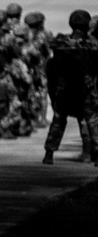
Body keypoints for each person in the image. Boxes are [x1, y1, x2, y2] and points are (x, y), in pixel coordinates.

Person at [43, 9, 98, 164]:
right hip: (86, 89)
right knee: (92, 121)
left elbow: (52, 65)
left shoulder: (61, 42)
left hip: (64, 88)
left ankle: (49, 153)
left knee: (58, 121)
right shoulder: (91, 45)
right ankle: (96, 153)